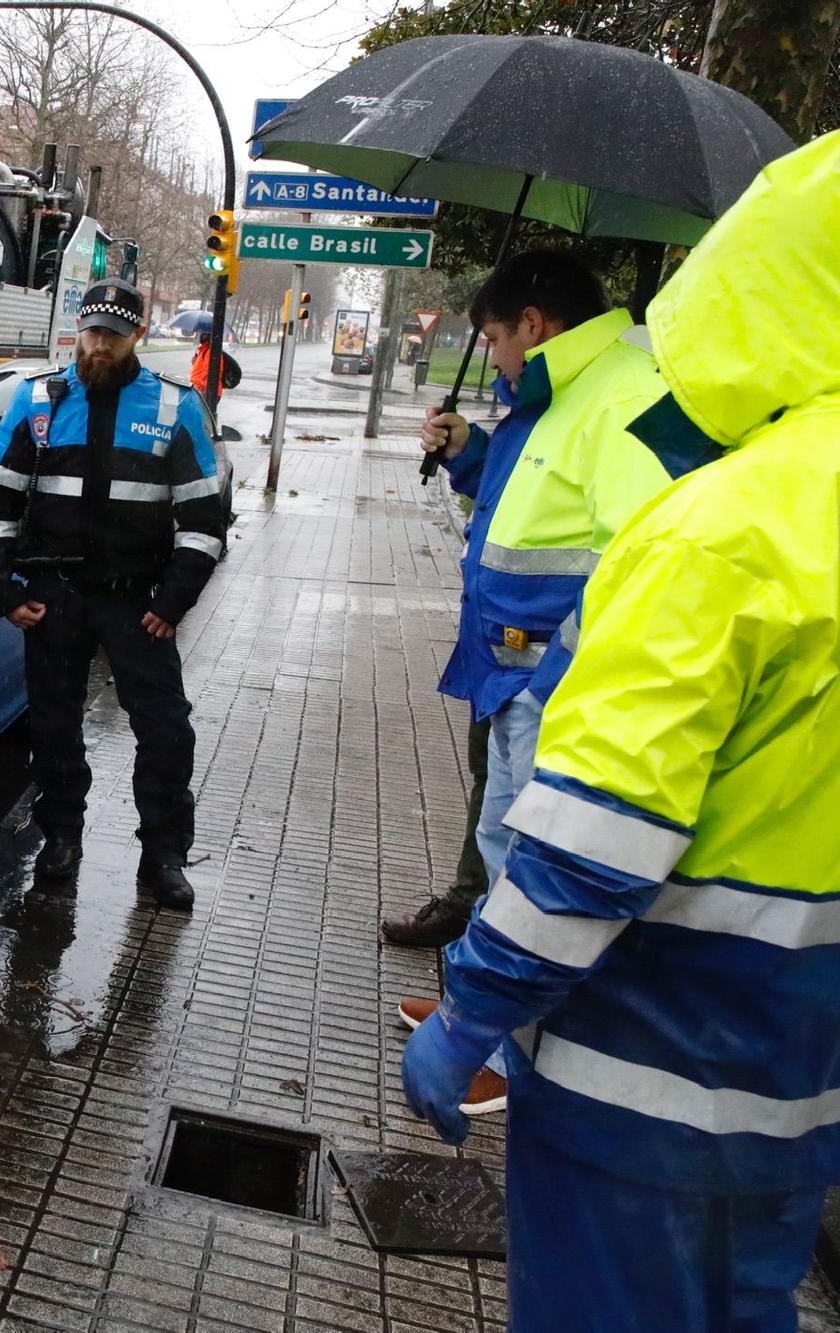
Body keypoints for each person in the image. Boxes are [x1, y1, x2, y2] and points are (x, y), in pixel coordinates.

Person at [403, 128, 839, 1331]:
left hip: (651, 1067)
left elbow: (597, 838)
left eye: (490, 334)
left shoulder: (726, 522)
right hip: (791, 1073)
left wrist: (470, 1016)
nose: (484, 353)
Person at [385, 251, 677, 1116]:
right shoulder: (563, 394)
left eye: (495, 338)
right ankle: (477, 1019)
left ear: (536, 324)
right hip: (516, 674)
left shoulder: (622, 394)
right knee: (503, 845)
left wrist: (556, 675)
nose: (496, 357)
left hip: (551, 681)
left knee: (528, 863)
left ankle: (508, 1058)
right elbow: (534, 508)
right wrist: (473, 452)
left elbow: (644, 560)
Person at [0, 277, 225, 907]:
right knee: (54, 728)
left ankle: (163, 856)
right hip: (54, 597)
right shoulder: (39, 402)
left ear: (135, 335)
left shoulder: (175, 406)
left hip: (137, 603)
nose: (99, 347)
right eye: (91, 334)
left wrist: (172, 603)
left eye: (112, 336)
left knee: (168, 732)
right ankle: (61, 838)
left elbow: (205, 520)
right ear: (77, 333)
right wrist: (5, 591)